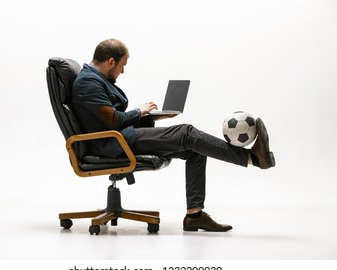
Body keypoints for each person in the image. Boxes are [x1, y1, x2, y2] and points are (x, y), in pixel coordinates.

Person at [71, 38, 276, 232]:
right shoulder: (87, 82)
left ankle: (194, 216)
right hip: (113, 144)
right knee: (187, 133)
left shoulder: (93, 79)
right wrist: (139, 111)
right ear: (111, 61)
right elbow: (113, 120)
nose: (122, 71)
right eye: (122, 65)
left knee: (194, 149)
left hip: (120, 137)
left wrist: (154, 118)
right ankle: (253, 158)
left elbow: (109, 118)